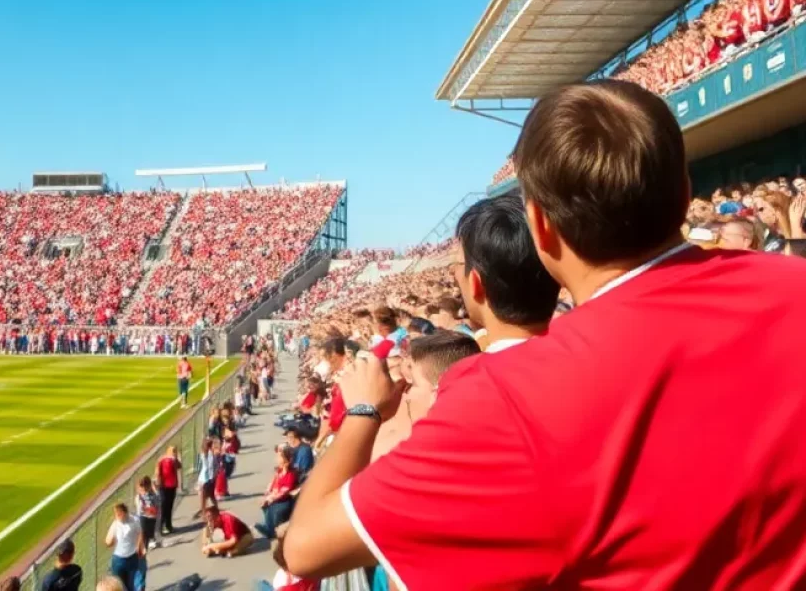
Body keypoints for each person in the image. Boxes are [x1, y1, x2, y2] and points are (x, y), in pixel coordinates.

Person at [283, 79, 806, 589]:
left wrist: (361, 412)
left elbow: (305, 547)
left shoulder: (509, 399)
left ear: (541, 227)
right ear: (684, 190)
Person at [454, 189, 560, 353]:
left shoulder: (467, 378)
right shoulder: (599, 349)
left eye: (459, 263)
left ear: (476, 282)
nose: (454, 274)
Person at [256, 446, 299, 539]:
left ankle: (271, 529)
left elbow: (285, 490)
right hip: (276, 497)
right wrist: (268, 494)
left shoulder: (290, 475)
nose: (277, 460)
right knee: (266, 505)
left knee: (275, 509)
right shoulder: (279, 472)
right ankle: (268, 527)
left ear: (287, 460)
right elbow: (272, 483)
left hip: (285, 499)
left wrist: (272, 497)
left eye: (280, 457)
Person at [104, 502, 146, 591]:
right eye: (116, 514)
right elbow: (107, 542)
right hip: (119, 559)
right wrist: (112, 540)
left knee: (132, 585)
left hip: (132, 557)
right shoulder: (115, 524)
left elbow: (140, 533)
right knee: (119, 585)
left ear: (124, 512)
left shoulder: (134, 520)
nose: (117, 516)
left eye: (119, 514)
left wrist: (140, 546)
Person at [155, 445, 181, 534]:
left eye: (175, 451)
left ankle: (169, 526)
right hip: (164, 487)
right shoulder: (162, 459)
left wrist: (176, 459)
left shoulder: (173, 460)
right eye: (173, 451)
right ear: (168, 451)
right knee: (163, 507)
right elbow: (157, 472)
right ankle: (160, 528)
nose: (174, 453)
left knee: (169, 506)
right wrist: (159, 484)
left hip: (172, 486)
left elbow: (179, 466)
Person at [134, 476, 159, 550]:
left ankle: (149, 541)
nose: (144, 489)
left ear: (148, 486)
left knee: (150, 532)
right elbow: (139, 507)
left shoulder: (152, 495)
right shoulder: (139, 496)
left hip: (152, 516)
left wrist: (154, 489)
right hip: (143, 516)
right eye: (142, 487)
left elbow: (157, 502)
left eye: (145, 487)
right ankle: (144, 547)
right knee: (144, 532)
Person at [196, 436, 218, 515]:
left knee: (203, 498)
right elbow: (215, 467)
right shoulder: (212, 454)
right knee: (211, 495)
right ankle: (215, 509)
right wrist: (214, 476)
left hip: (203, 478)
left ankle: (204, 511)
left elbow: (198, 468)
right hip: (210, 478)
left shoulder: (201, 455)